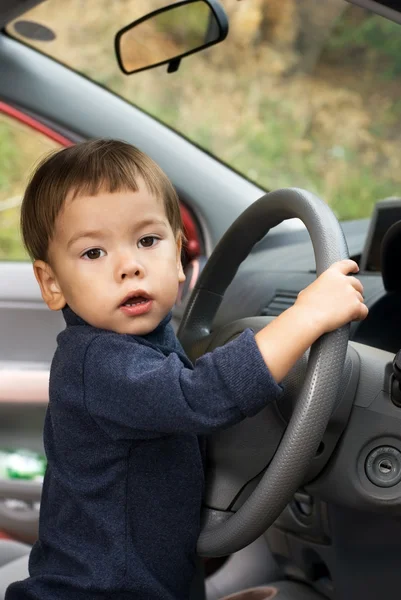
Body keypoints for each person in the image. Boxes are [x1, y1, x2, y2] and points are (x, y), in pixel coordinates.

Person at [6, 139, 368, 600]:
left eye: (147, 240)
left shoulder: (142, 339)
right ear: (51, 283)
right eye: (93, 253)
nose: (130, 266)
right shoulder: (95, 363)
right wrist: (304, 318)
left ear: (178, 257)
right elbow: (199, 397)